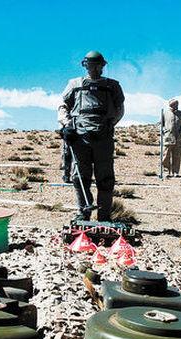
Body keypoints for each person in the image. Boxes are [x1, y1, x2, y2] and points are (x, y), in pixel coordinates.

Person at [57, 51, 125, 221]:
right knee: (80, 177)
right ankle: (83, 212)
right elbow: (62, 105)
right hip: (80, 138)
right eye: (90, 65)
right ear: (85, 65)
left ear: (102, 66)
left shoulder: (113, 86)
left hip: (103, 138)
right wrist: (66, 125)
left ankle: (104, 217)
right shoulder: (74, 84)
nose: (93, 68)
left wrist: (109, 124)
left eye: (97, 65)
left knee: (106, 179)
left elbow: (120, 109)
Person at [160, 98, 181, 177]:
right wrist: (163, 130)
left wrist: (180, 132)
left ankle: (175, 172)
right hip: (168, 137)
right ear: (170, 105)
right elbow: (160, 123)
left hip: (178, 138)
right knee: (166, 155)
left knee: (177, 155)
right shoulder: (165, 113)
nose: (176, 106)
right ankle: (166, 171)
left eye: (177, 104)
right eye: (175, 104)